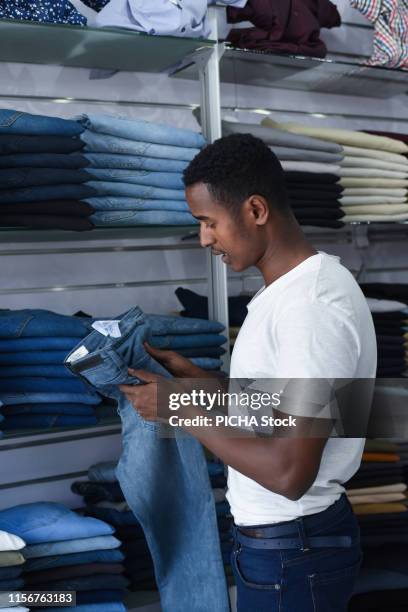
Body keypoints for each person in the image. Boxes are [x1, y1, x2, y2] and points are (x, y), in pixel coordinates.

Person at [119, 133, 377, 612]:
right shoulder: (290, 292)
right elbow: (295, 409)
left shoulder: (311, 306)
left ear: (256, 210)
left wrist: (180, 408)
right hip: (287, 548)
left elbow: (289, 472)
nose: (204, 239)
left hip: (293, 550)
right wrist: (207, 384)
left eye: (209, 223)